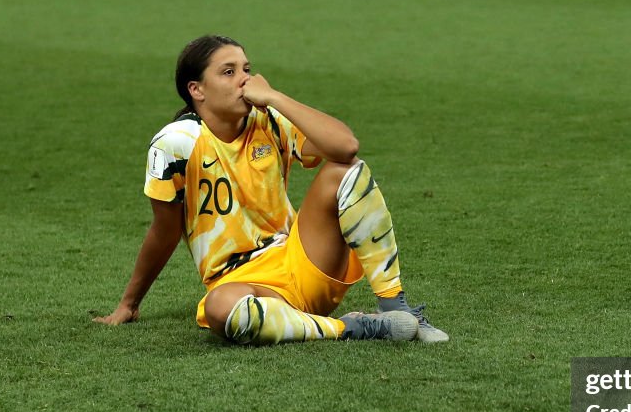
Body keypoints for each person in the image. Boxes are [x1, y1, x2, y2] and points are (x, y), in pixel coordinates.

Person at [94, 35, 448, 345]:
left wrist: (275, 97)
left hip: (302, 259)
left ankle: (396, 308)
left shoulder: (268, 121)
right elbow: (164, 230)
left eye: (246, 69)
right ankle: (355, 327)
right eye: (228, 72)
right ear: (196, 90)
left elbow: (345, 146)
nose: (244, 80)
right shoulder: (176, 144)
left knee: (344, 171)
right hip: (245, 285)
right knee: (220, 307)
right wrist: (129, 303)